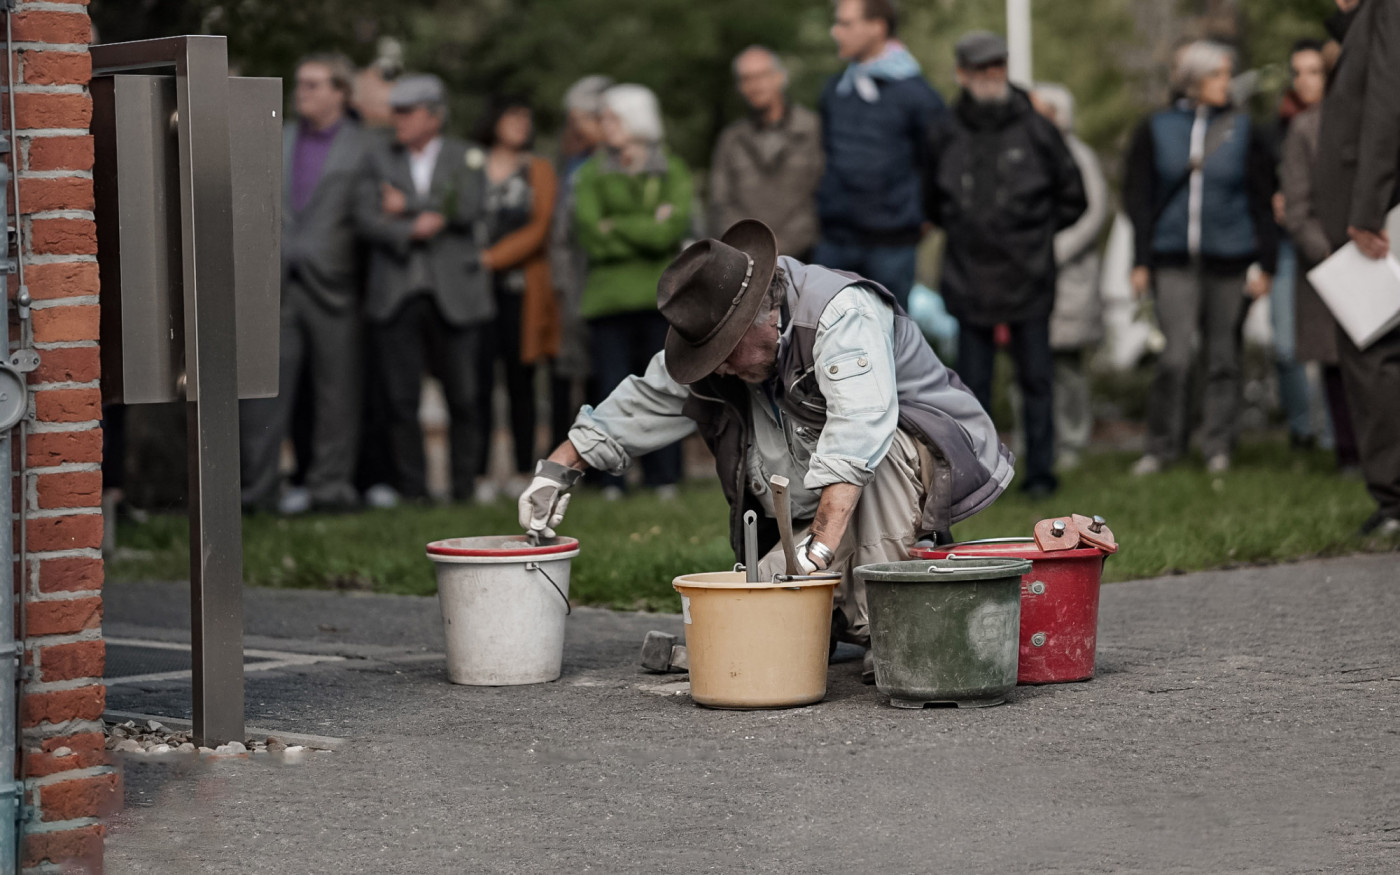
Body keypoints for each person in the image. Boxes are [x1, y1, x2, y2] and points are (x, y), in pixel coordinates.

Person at [519, 220, 1012, 682]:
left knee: (874, 456)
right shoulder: (727, 346)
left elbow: (858, 433)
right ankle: (818, 621)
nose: (719, 368)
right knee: (764, 596)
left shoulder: (841, 312)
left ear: (765, 317)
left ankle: (888, 626)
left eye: (723, 353)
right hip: (826, 500)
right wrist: (558, 469)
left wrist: (819, 551)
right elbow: (643, 399)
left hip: (920, 455)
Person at [922, 33, 1087, 497]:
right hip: (967, 275)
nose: (991, 75)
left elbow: (1074, 198)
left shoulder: (1038, 128)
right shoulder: (943, 131)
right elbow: (930, 201)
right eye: (981, 68)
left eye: (998, 65)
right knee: (971, 387)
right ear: (962, 74)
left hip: (1029, 275)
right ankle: (976, 477)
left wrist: (1032, 235)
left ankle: (1040, 476)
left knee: (1036, 379)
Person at [1124, 40, 1278, 476]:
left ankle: (1218, 446)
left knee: (1223, 357)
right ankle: (1161, 447)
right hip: (1172, 259)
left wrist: (1266, 264)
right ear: (1193, 78)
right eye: (1218, 74)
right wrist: (1140, 261)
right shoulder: (1155, 127)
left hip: (1231, 259)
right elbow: (1139, 198)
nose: (1227, 82)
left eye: (1228, 73)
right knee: (1174, 357)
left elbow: (1263, 199)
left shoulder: (1244, 129)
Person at [240, 53, 371, 514]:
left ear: (341, 92)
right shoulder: (278, 136)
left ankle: (329, 489)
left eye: (314, 84)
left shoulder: (366, 146)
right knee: (263, 394)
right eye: (300, 84)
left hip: (336, 286)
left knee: (337, 396)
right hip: (276, 284)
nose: (303, 92)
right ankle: (256, 492)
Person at [355, 74, 491, 503]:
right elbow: (365, 217)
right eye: (395, 111)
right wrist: (414, 228)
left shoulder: (465, 155)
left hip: (455, 293)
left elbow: (468, 206)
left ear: (434, 116)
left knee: (463, 397)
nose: (398, 119)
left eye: (407, 112)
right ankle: (413, 490)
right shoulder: (377, 157)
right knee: (400, 399)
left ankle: (463, 489)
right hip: (396, 292)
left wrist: (407, 205)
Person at [573, 84, 692, 499]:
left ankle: (664, 477)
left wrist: (617, 225)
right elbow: (591, 234)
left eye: (611, 117)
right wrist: (647, 225)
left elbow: (671, 231)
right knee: (609, 388)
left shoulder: (671, 169)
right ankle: (611, 478)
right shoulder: (591, 173)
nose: (604, 125)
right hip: (607, 302)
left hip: (662, 299)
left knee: (667, 387)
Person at [1315, 0, 1400, 536]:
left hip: (1377, 217)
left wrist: (1367, 208)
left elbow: (1387, 103)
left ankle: (1395, 500)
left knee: (1375, 354)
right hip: (1374, 210)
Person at [815, 0, 945, 311]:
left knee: (888, 333)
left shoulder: (917, 95)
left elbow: (938, 161)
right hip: (836, 238)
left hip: (892, 243)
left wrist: (924, 217)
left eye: (846, 23)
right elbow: (826, 152)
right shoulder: (836, 90)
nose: (836, 32)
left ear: (877, 27)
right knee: (825, 331)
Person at [1277, 38, 1359, 473]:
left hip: (1377, 255)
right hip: (1328, 262)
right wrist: (1330, 254)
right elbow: (1296, 206)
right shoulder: (1304, 129)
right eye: (1298, 73)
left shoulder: (1371, 120)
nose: (1305, 82)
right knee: (1334, 360)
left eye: (1315, 72)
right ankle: (1348, 453)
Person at [473, 98, 560, 503]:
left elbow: (540, 227)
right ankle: (478, 475)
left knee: (521, 382)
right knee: (476, 383)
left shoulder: (539, 169)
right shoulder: (470, 164)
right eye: (513, 115)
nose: (521, 123)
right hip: (471, 291)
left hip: (521, 291)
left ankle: (524, 470)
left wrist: (491, 258)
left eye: (527, 117)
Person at [1033, 82, 1111, 474]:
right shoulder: (1026, 152)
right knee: (1031, 363)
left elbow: (1095, 212)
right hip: (1029, 276)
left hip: (1070, 276)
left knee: (1067, 364)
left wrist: (1056, 251)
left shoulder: (1080, 156)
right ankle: (1036, 440)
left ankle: (1073, 441)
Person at [709, 46, 823, 258]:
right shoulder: (731, 139)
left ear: (779, 77)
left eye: (761, 76)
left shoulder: (812, 130)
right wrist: (752, 247)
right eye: (746, 79)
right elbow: (720, 201)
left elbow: (821, 197)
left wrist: (780, 248)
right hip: (747, 257)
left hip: (807, 256)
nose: (755, 85)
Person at [549, 75, 613, 449]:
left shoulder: (621, 163)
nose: (576, 128)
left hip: (610, 284)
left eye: (582, 120)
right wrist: (562, 283)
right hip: (576, 283)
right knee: (582, 372)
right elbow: (561, 233)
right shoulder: (574, 163)